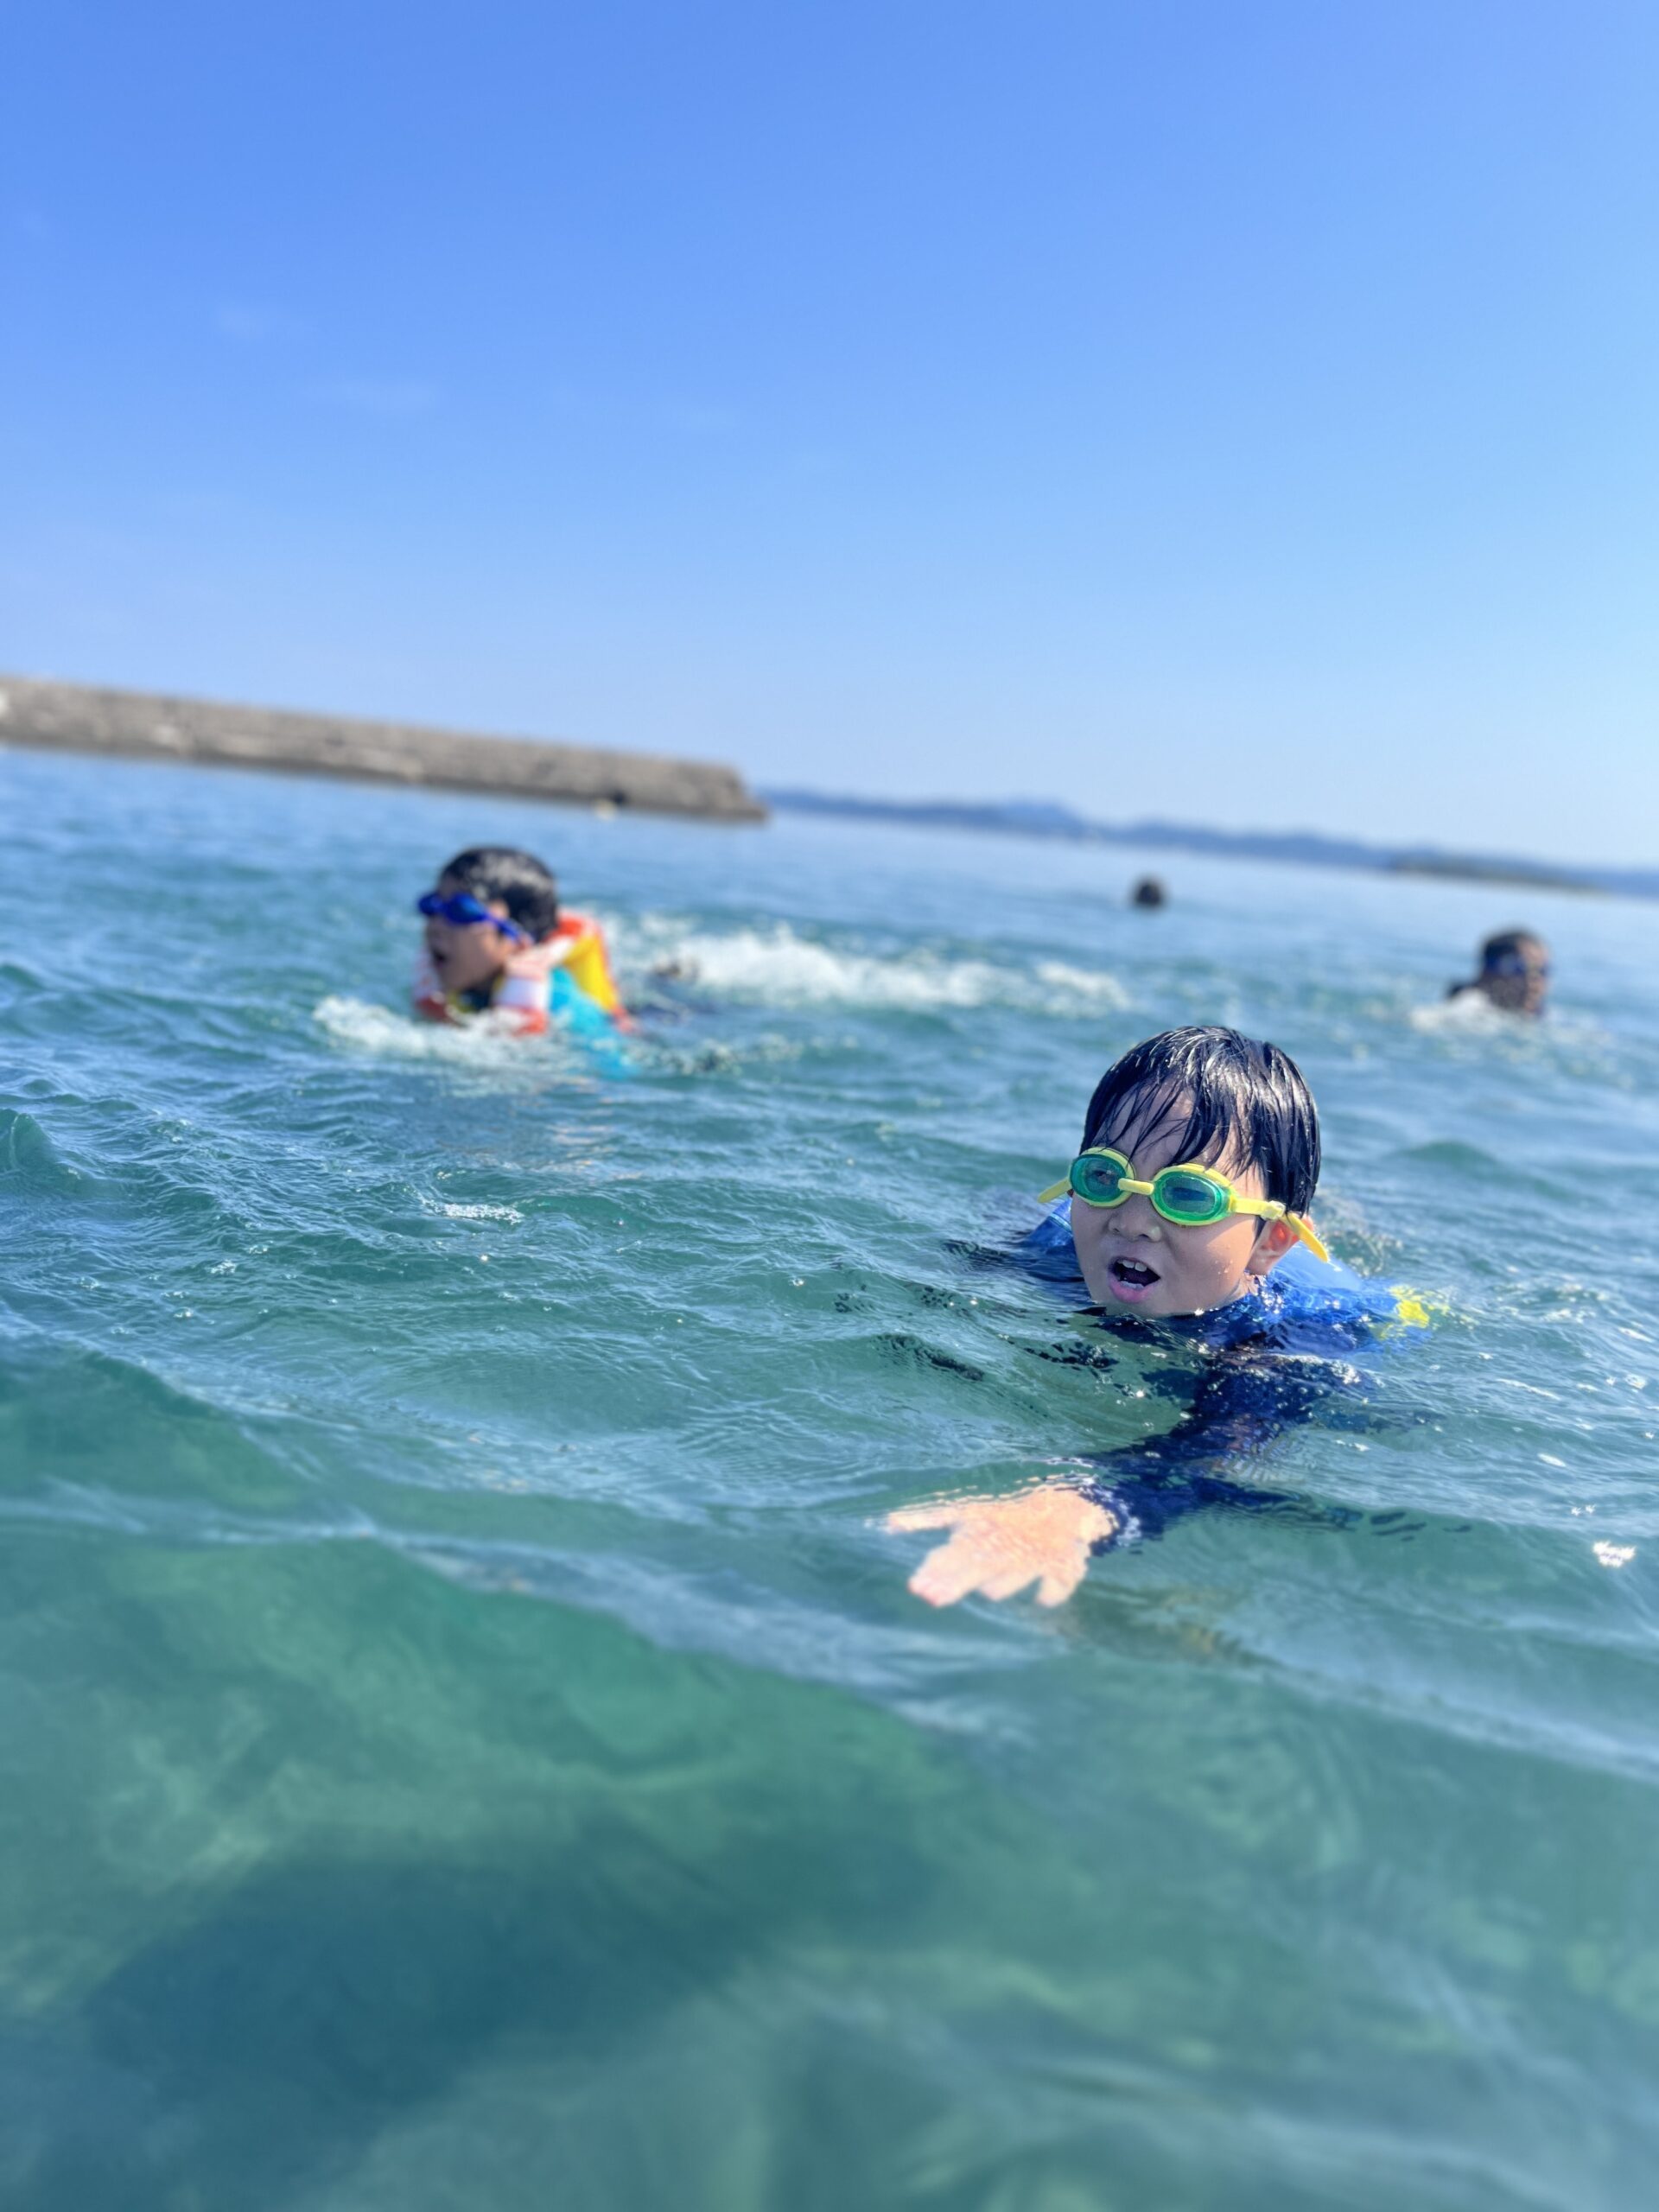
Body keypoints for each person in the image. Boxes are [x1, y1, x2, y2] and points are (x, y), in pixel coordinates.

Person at [888, 1026, 1427, 1607]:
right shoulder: (1062, 1242)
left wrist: (1084, 1506)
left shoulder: (1293, 1340)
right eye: (1105, 1176)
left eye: (1189, 1195)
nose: (1131, 1219)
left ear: (1270, 1241)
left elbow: (1208, 1457)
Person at [412, 845, 631, 1037]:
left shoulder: (559, 1003)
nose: (436, 925)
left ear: (518, 938)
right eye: (432, 906)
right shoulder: (464, 988)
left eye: (461, 911)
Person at [1446, 929, 1550, 1017]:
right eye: (1519, 969)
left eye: (1542, 971)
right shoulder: (1470, 1005)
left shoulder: (1543, 1015)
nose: (1533, 982)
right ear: (1487, 972)